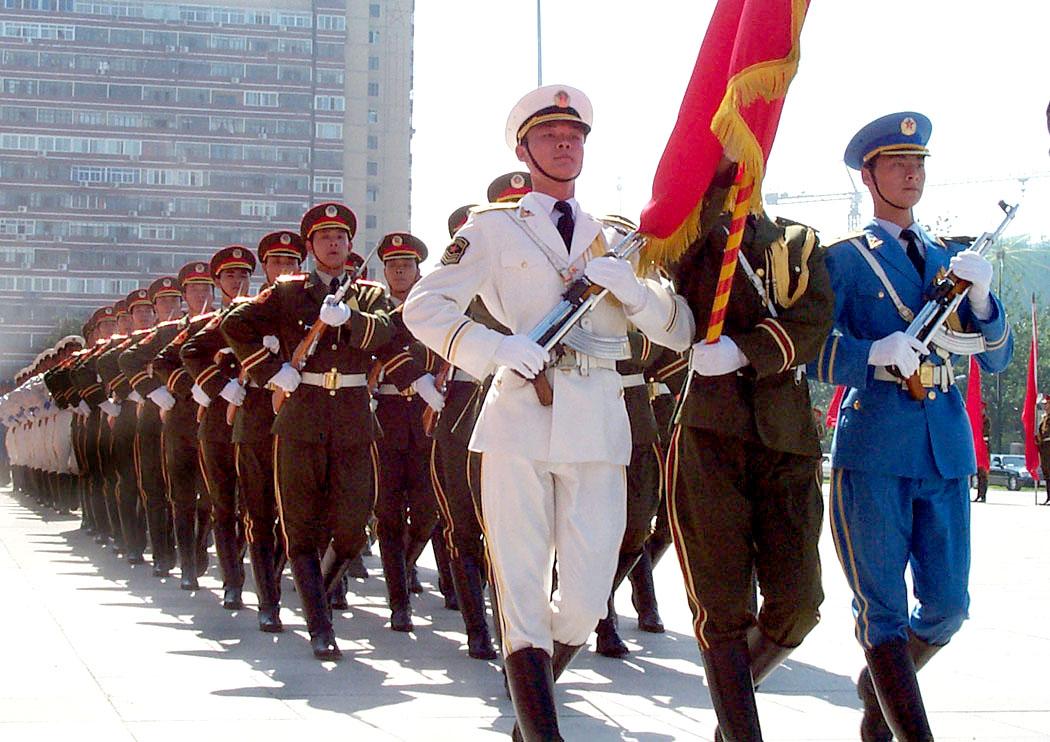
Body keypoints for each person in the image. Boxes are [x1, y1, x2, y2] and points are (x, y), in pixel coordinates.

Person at [403, 84, 693, 739]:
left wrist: (637, 295)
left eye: (576, 135)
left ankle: (532, 700)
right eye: (551, 135)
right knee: (521, 580)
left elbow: (680, 330)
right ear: (524, 149)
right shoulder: (492, 228)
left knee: (586, 599)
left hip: (598, 423)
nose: (566, 144)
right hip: (518, 419)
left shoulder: (619, 242)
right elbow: (422, 307)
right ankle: (540, 728)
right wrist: (494, 346)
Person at [812, 112, 1014, 741]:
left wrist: (983, 302)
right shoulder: (842, 260)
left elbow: (999, 354)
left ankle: (880, 687)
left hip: (946, 445)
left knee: (950, 607)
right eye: (898, 162)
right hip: (874, 443)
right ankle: (900, 726)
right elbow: (809, 350)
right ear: (868, 176)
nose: (911, 172)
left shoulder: (953, 259)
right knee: (883, 614)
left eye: (919, 161)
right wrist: (871, 354)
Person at [665, 154, 833, 740]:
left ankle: (736, 695)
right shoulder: (688, 240)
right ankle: (740, 727)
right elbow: (673, 293)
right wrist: (705, 217)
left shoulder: (797, 240)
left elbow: (814, 319)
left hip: (784, 435)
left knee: (799, 602)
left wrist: (746, 351)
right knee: (722, 606)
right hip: (710, 432)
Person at [221, 202, 423, 659]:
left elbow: (394, 333)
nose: (333, 243)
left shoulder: (368, 294)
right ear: (310, 247)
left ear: (350, 246)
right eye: (323, 237)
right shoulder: (289, 293)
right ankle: (319, 625)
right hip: (301, 416)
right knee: (301, 528)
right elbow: (235, 324)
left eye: (340, 237)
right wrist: (272, 371)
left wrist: (348, 320)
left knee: (352, 528)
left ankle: (318, 595)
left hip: (353, 417)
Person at [368, 231, 446, 632]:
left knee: (429, 508)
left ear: (418, 270)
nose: (400, 271)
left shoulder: (430, 307)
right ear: (384, 271)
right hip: (384, 413)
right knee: (388, 510)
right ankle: (398, 601)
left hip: (426, 413)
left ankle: (405, 560)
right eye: (393, 266)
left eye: (407, 265)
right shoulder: (373, 308)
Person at [180, 246, 256, 610]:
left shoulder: (258, 316)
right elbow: (178, 358)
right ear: (217, 283)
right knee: (223, 504)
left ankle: (247, 568)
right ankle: (232, 580)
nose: (237, 282)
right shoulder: (202, 325)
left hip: (255, 420)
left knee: (254, 505)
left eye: (243, 275)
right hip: (215, 422)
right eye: (229, 276)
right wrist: (212, 384)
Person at [973, 409, 991, 503]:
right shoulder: (976, 420)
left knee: (983, 474)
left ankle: (983, 496)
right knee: (978, 474)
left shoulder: (986, 420)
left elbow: (985, 433)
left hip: (984, 447)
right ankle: (979, 494)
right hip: (977, 447)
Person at [1038, 395, 1050, 505]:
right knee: (1046, 474)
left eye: (1047, 404)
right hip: (1044, 449)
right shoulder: (1044, 418)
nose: (1045, 406)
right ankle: (1048, 496)